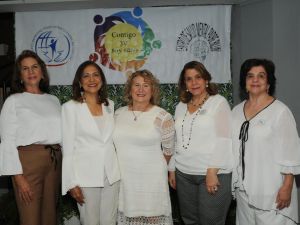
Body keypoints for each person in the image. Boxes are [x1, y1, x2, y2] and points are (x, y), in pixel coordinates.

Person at [232, 58, 300, 225]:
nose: (255, 80)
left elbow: (290, 152)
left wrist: (287, 186)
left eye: (261, 76)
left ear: (269, 83)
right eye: (250, 76)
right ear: (244, 82)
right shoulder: (235, 111)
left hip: (272, 191)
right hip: (243, 191)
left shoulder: (280, 112)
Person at [0, 50, 62, 225]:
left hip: (55, 161)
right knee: (30, 219)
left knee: (50, 217)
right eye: (25, 69)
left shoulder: (53, 100)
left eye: (34, 67)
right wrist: (18, 177)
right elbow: (7, 141)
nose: (31, 71)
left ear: (42, 72)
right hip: (28, 163)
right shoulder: (13, 101)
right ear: (20, 76)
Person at [168, 61, 233, 225]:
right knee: (189, 220)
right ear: (184, 84)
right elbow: (177, 140)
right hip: (184, 173)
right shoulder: (180, 106)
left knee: (211, 221)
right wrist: (172, 169)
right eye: (189, 79)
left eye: (198, 77)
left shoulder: (218, 102)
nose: (194, 82)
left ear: (206, 80)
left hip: (211, 174)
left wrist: (212, 171)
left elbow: (224, 139)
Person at [61, 60, 120, 225]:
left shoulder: (110, 105)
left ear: (101, 80)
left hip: (112, 175)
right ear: (80, 82)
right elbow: (68, 148)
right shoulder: (70, 108)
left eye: (95, 75)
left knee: (109, 221)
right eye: (86, 76)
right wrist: (71, 182)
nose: (91, 79)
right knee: (90, 222)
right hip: (86, 177)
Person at [113, 70, 175, 225]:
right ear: (130, 89)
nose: (141, 90)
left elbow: (168, 151)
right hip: (125, 181)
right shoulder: (118, 114)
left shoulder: (162, 116)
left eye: (146, 85)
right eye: (137, 85)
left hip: (151, 182)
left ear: (152, 90)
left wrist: (150, 167)